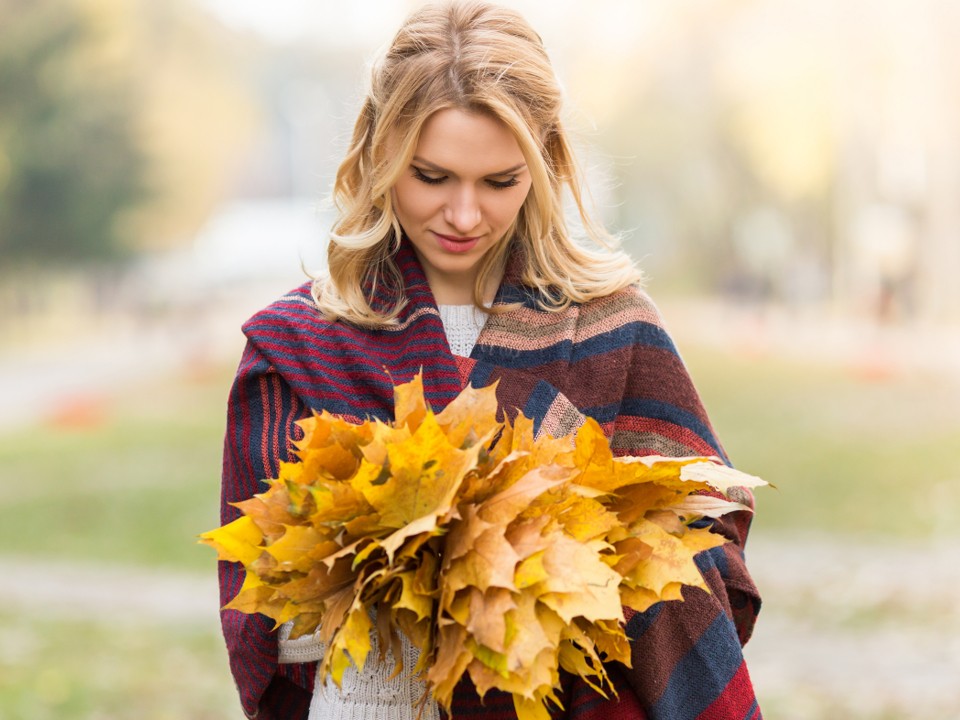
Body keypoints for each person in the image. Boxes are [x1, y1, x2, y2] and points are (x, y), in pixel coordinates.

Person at [217, 1, 763, 719]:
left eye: (499, 182)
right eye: (433, 177)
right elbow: (267, 604)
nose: (465, 215)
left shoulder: (613, 324)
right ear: (379, 155)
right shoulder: (301, 347)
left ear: (543, 167)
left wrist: (573, 541)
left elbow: (707, 541)